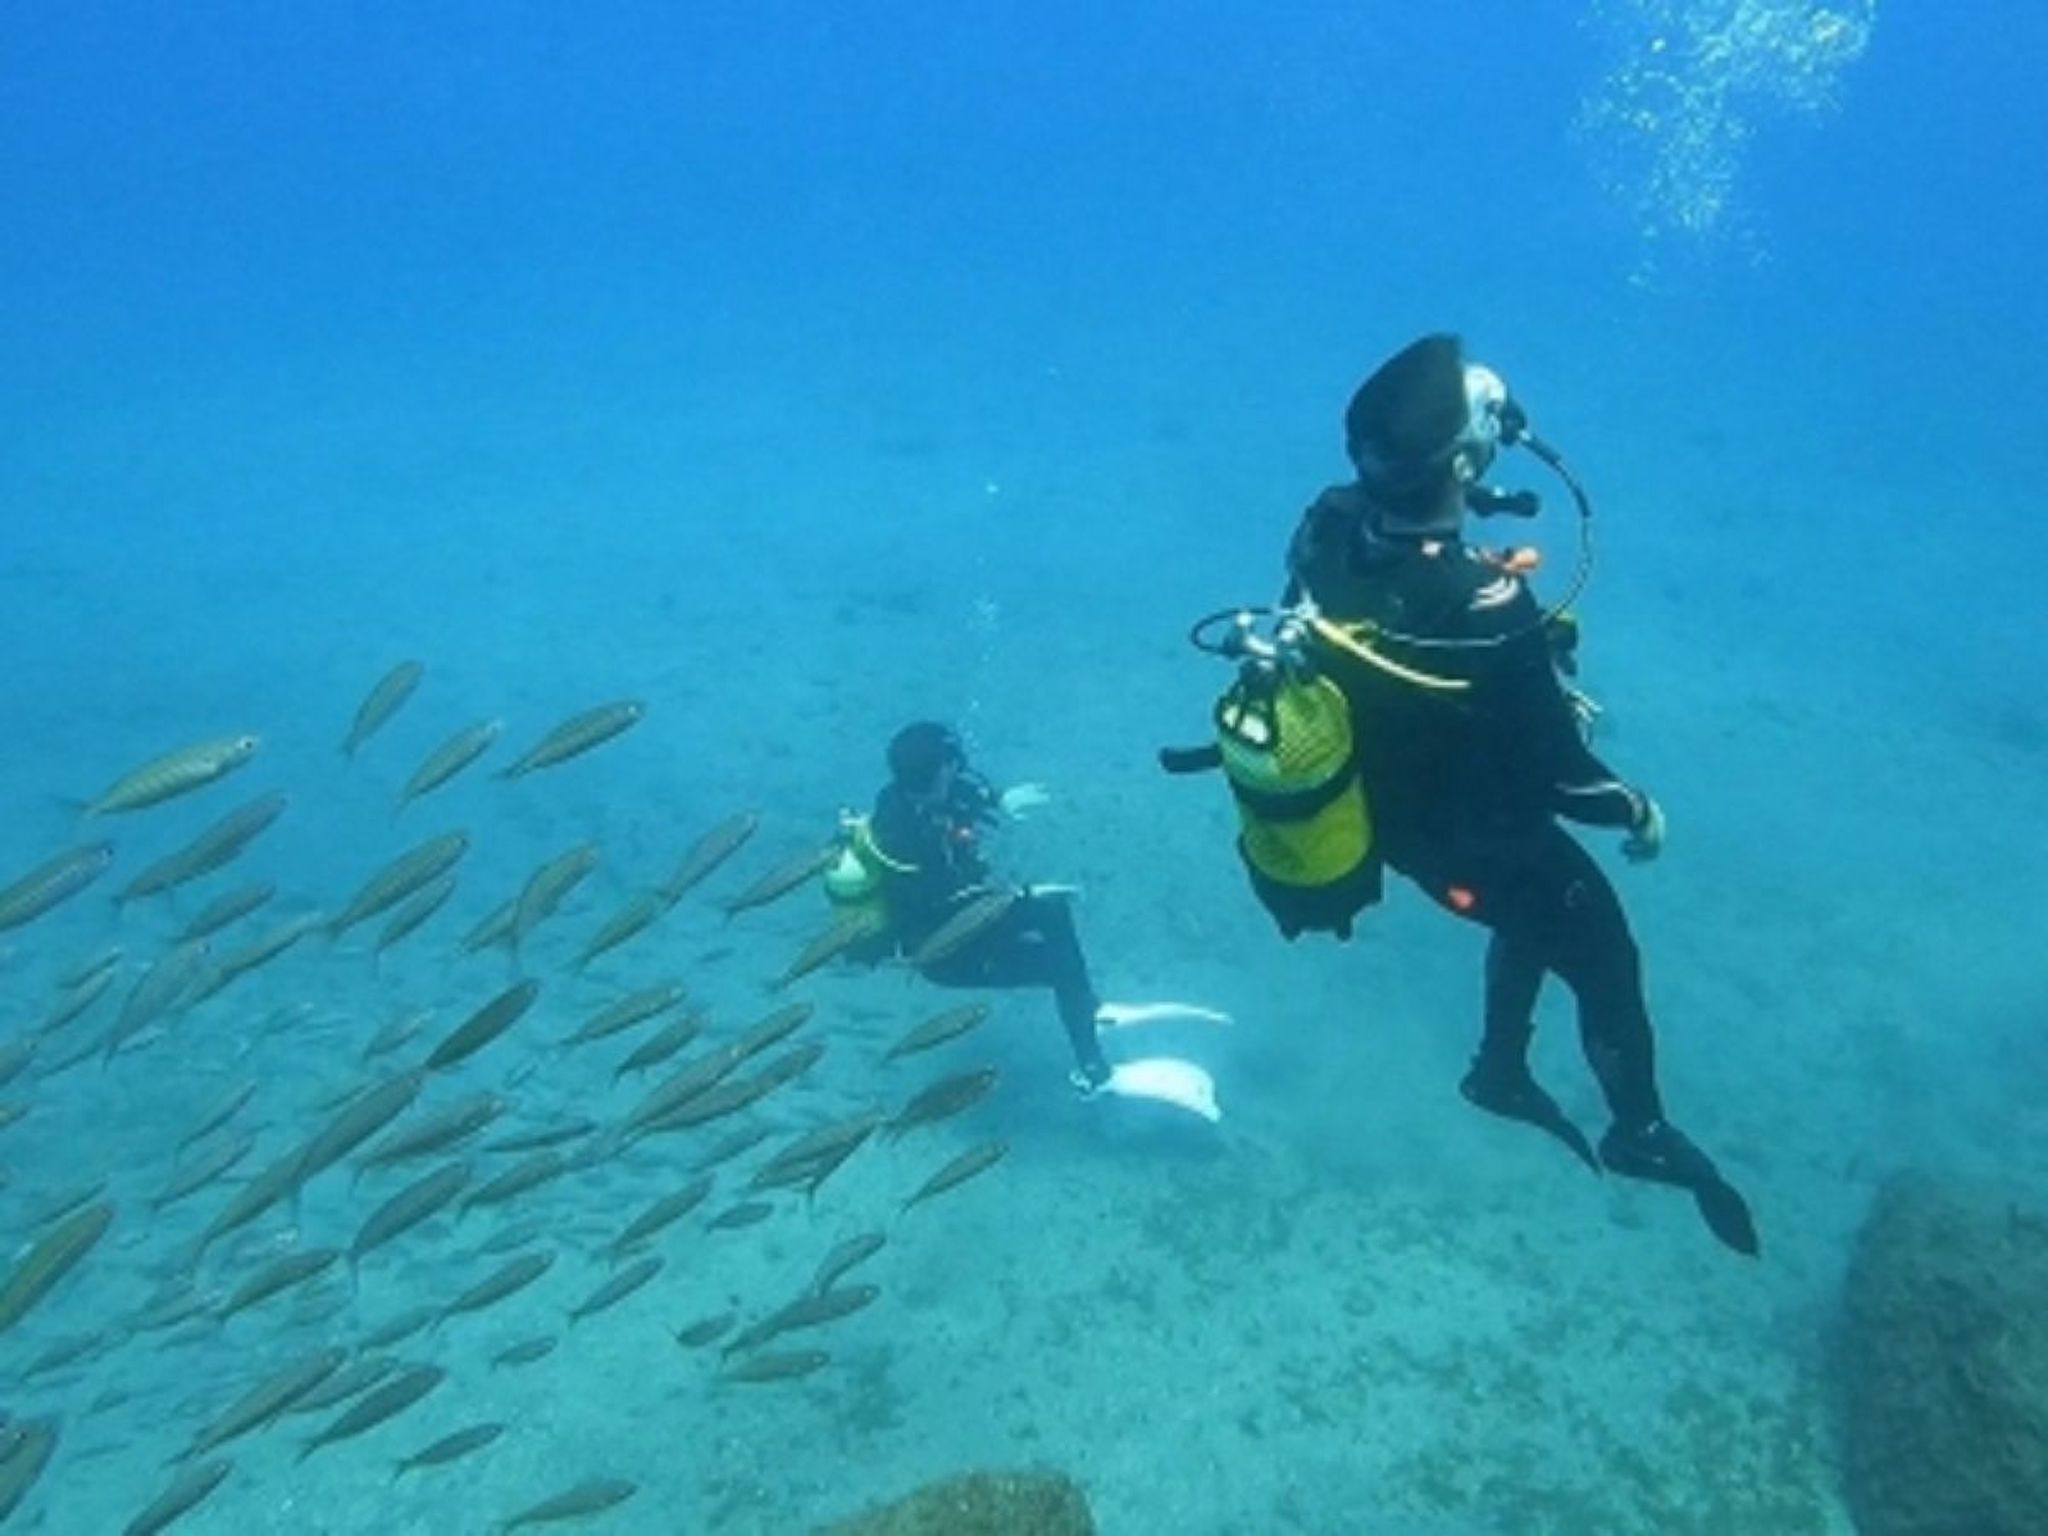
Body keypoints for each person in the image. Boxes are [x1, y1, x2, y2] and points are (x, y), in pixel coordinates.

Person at [1274, 334, 1757, 1255]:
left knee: (1532, 916)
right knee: (1603, 950)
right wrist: (1637, 807)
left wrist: (1499, 605)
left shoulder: (1330, 520)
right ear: (1462, 461)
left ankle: (1498, 1072)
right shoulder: (1490, 605)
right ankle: (1639, 1130)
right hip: (1478, 839)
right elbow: (1566, 779)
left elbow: (1385, 595)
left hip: (1391, 820)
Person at [837, 721, 1227, 1119]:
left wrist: (998, 799)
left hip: (970, 923)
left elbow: (962, 800)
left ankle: (1087, 1009)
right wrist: (1019, 896)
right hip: (944, 954)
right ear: (939, 770)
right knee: (1058, 967)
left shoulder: (915, 796)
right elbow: (939, 906)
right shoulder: (903, 836)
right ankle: (1094, 1072)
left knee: (1054, 910)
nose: (958, 769)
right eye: (951, 763)